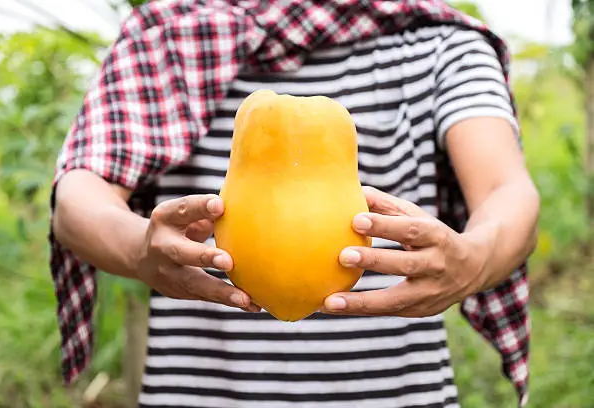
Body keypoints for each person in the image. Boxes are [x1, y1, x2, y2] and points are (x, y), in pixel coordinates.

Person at [49, 1, 539, 407]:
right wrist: (137, 246)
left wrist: (476, 256)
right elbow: (77, 198)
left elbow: (506, 191)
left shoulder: (440, 44)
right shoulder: (165, 44)